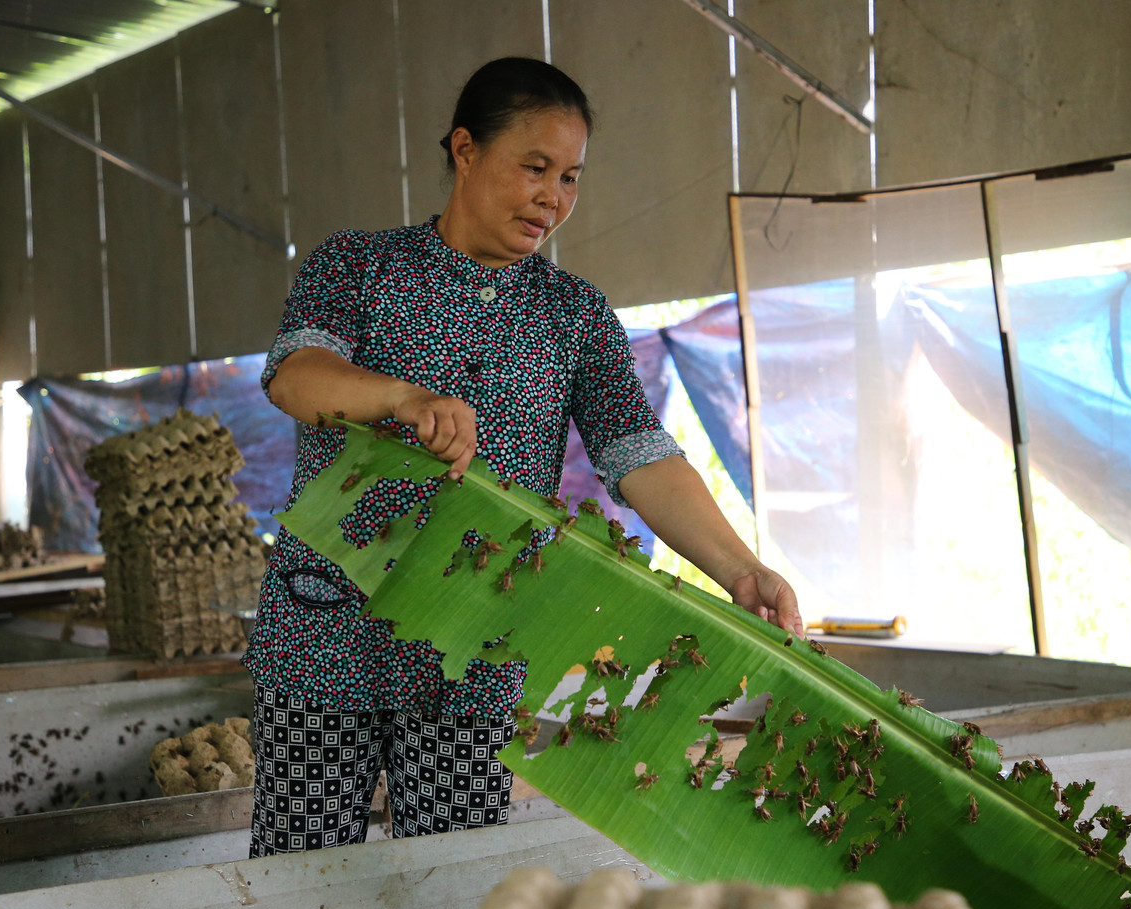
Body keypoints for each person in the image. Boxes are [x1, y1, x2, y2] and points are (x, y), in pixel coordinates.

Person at [244, 57, 802, 856]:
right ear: (466, 150)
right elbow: (295, 376)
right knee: (301, 869)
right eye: (533, 167)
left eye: (570, 178)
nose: (553, 197)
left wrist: (741, 569)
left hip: (469, 650)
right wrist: (400, 399)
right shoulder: (358, 267)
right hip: (326, 636)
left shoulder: (572, 313)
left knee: (457, 876)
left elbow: (638, 452)